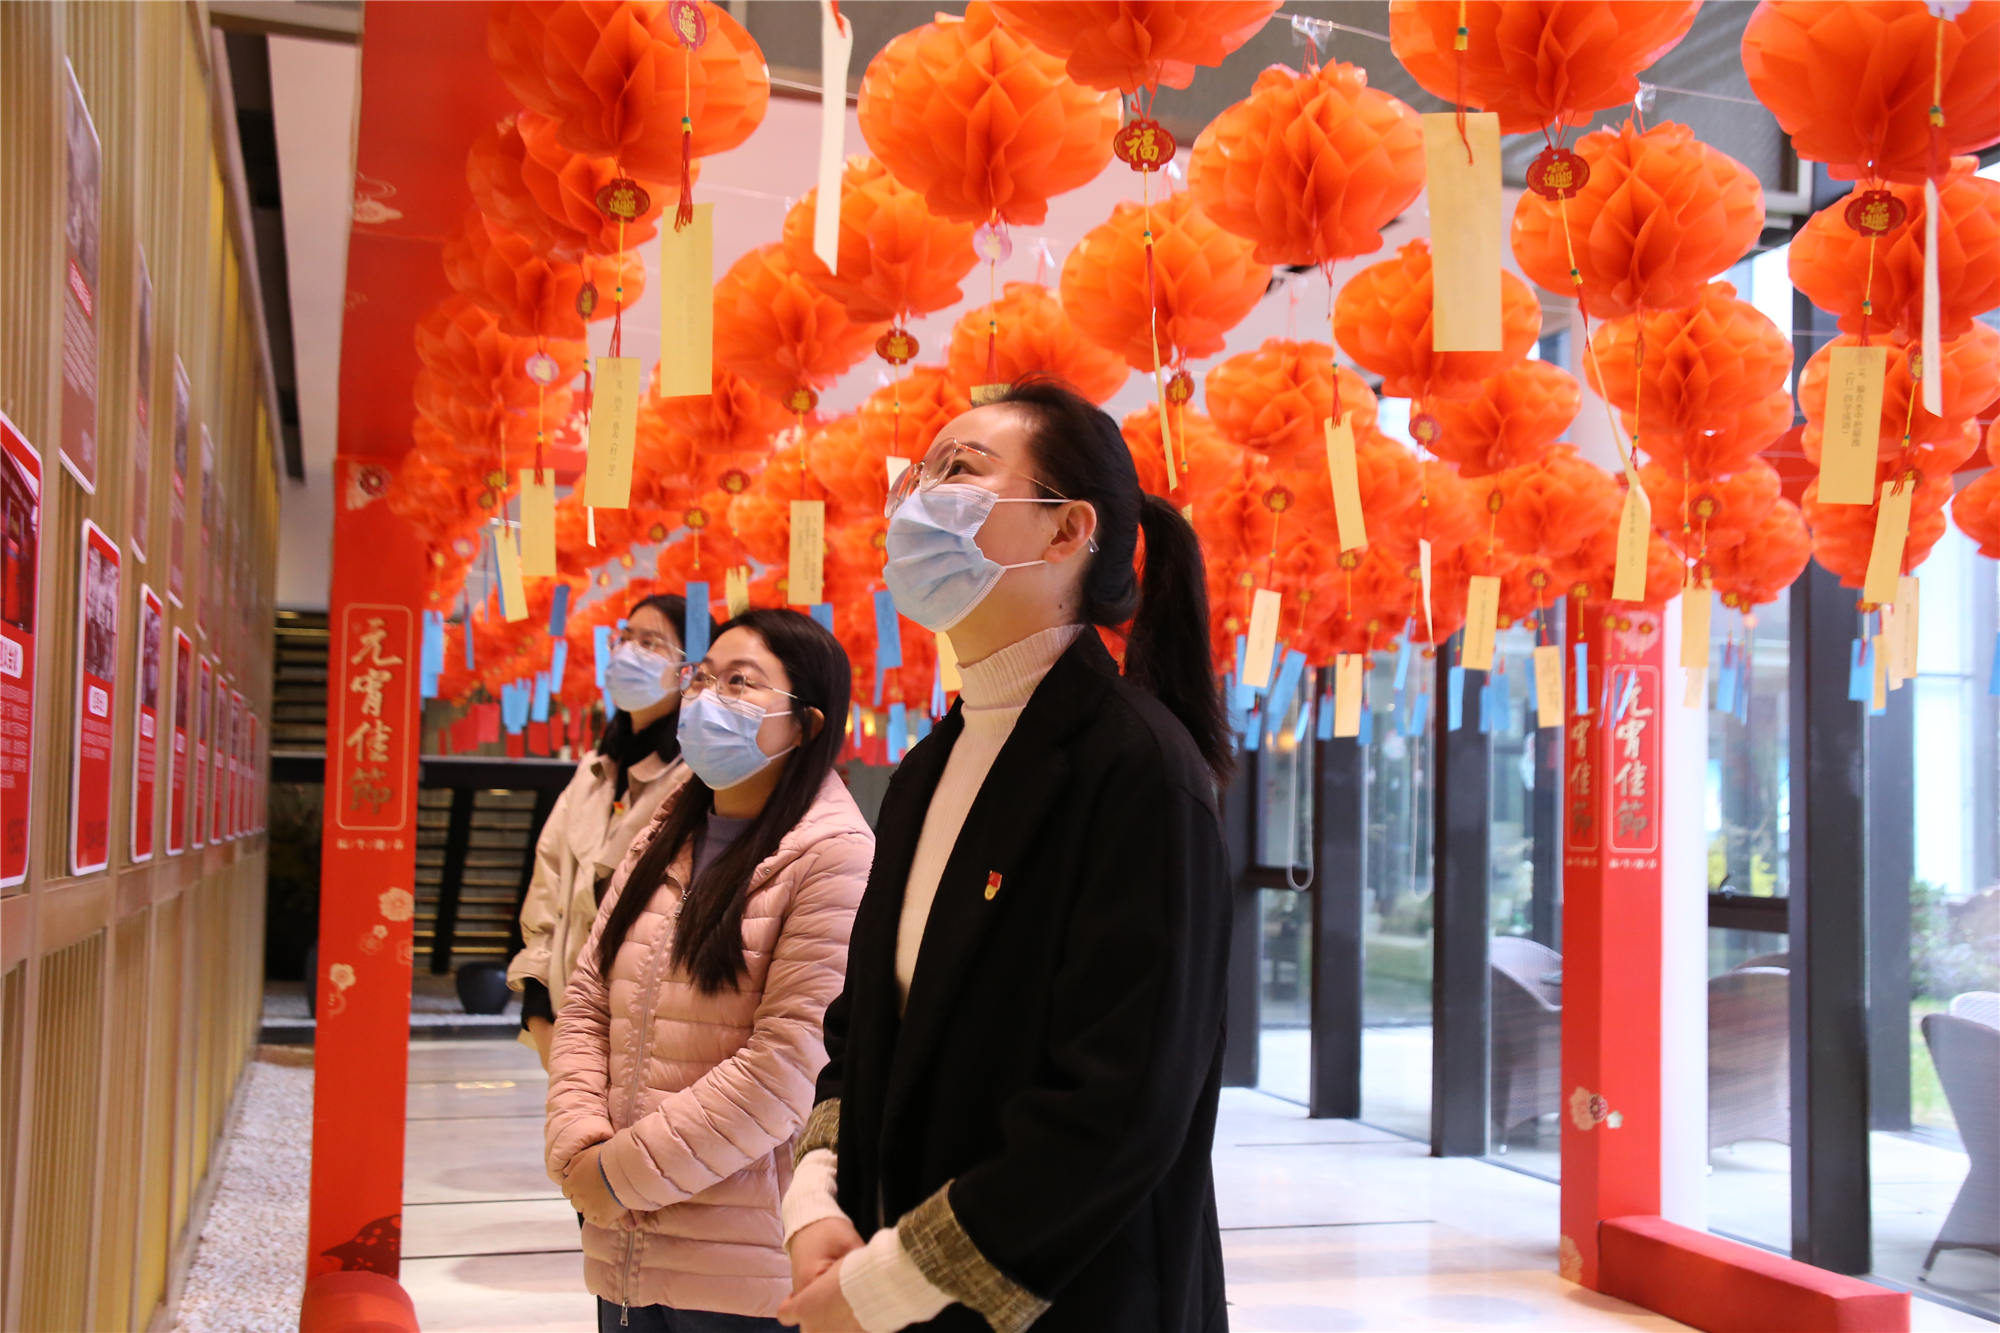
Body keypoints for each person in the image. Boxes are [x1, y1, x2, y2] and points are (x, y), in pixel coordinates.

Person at [778, 378, 1236, 1333]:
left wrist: (894, 1282)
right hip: (894, 1280)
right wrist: (816, 1195)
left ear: (1067, 530)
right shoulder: (927, 767)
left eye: (959, 470)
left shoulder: (1139, 768)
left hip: (1075, 1302)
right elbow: (863, 1029)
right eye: (917, 474)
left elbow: (1123, 1101)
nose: (916, 500)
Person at [546, 608, 875, 1332]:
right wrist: (579, 1145)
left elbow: (788, 1066)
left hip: (740, 1267)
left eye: (740, 682)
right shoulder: (665, 833)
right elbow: (589, 997)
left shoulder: (834, 853)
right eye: (702, 678)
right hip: (623, 1247)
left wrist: (619, 1176)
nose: (706, 697)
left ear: (806, 724)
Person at [510, 592, 717, 1069]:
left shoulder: (696, 779)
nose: (628, 652)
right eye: (624, 638)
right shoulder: (593, 771)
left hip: (647, 1038)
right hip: (564, 1026)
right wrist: (540, 1015)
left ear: (690, 670)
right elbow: (546, 892)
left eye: (650, 642)